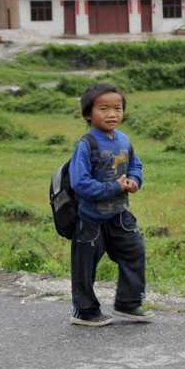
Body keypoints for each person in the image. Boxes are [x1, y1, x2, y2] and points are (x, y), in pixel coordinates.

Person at [69, 82, 150, 327]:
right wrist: (115, 187)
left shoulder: (124, 140)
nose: (112, 114)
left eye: (117, 108)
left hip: (119, 216)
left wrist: (135, 181)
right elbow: (80, 183)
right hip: (90, 219)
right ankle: (85, 311)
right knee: (85, 267)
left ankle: (128, 302)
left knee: (135, 252)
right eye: (103, 109)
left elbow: (135, 165)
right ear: (88, 114)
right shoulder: (86, 145)